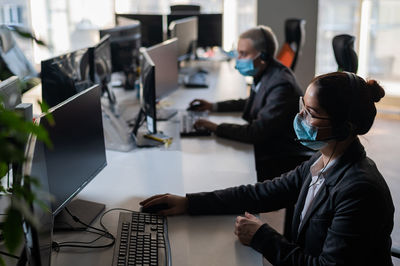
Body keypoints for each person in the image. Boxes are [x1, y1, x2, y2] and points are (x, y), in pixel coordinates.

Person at [141, 72, 394, 265]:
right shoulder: (322, 160)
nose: (300, 118)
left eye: (311, 113)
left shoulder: (360, 192)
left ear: (345, 127)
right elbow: (263, 193)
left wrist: (263, 236)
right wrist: (189, 203)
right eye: (302, 107)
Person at [188, 25, 313, 181]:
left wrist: (215, 127)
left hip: (279, 154)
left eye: (243, 54)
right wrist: (214, 106)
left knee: (216, 166)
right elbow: (252, 102)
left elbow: (256, 133)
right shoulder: (266, 72)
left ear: (263, 57)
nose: (238, 59)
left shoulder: (281, 85)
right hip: (267, 143)